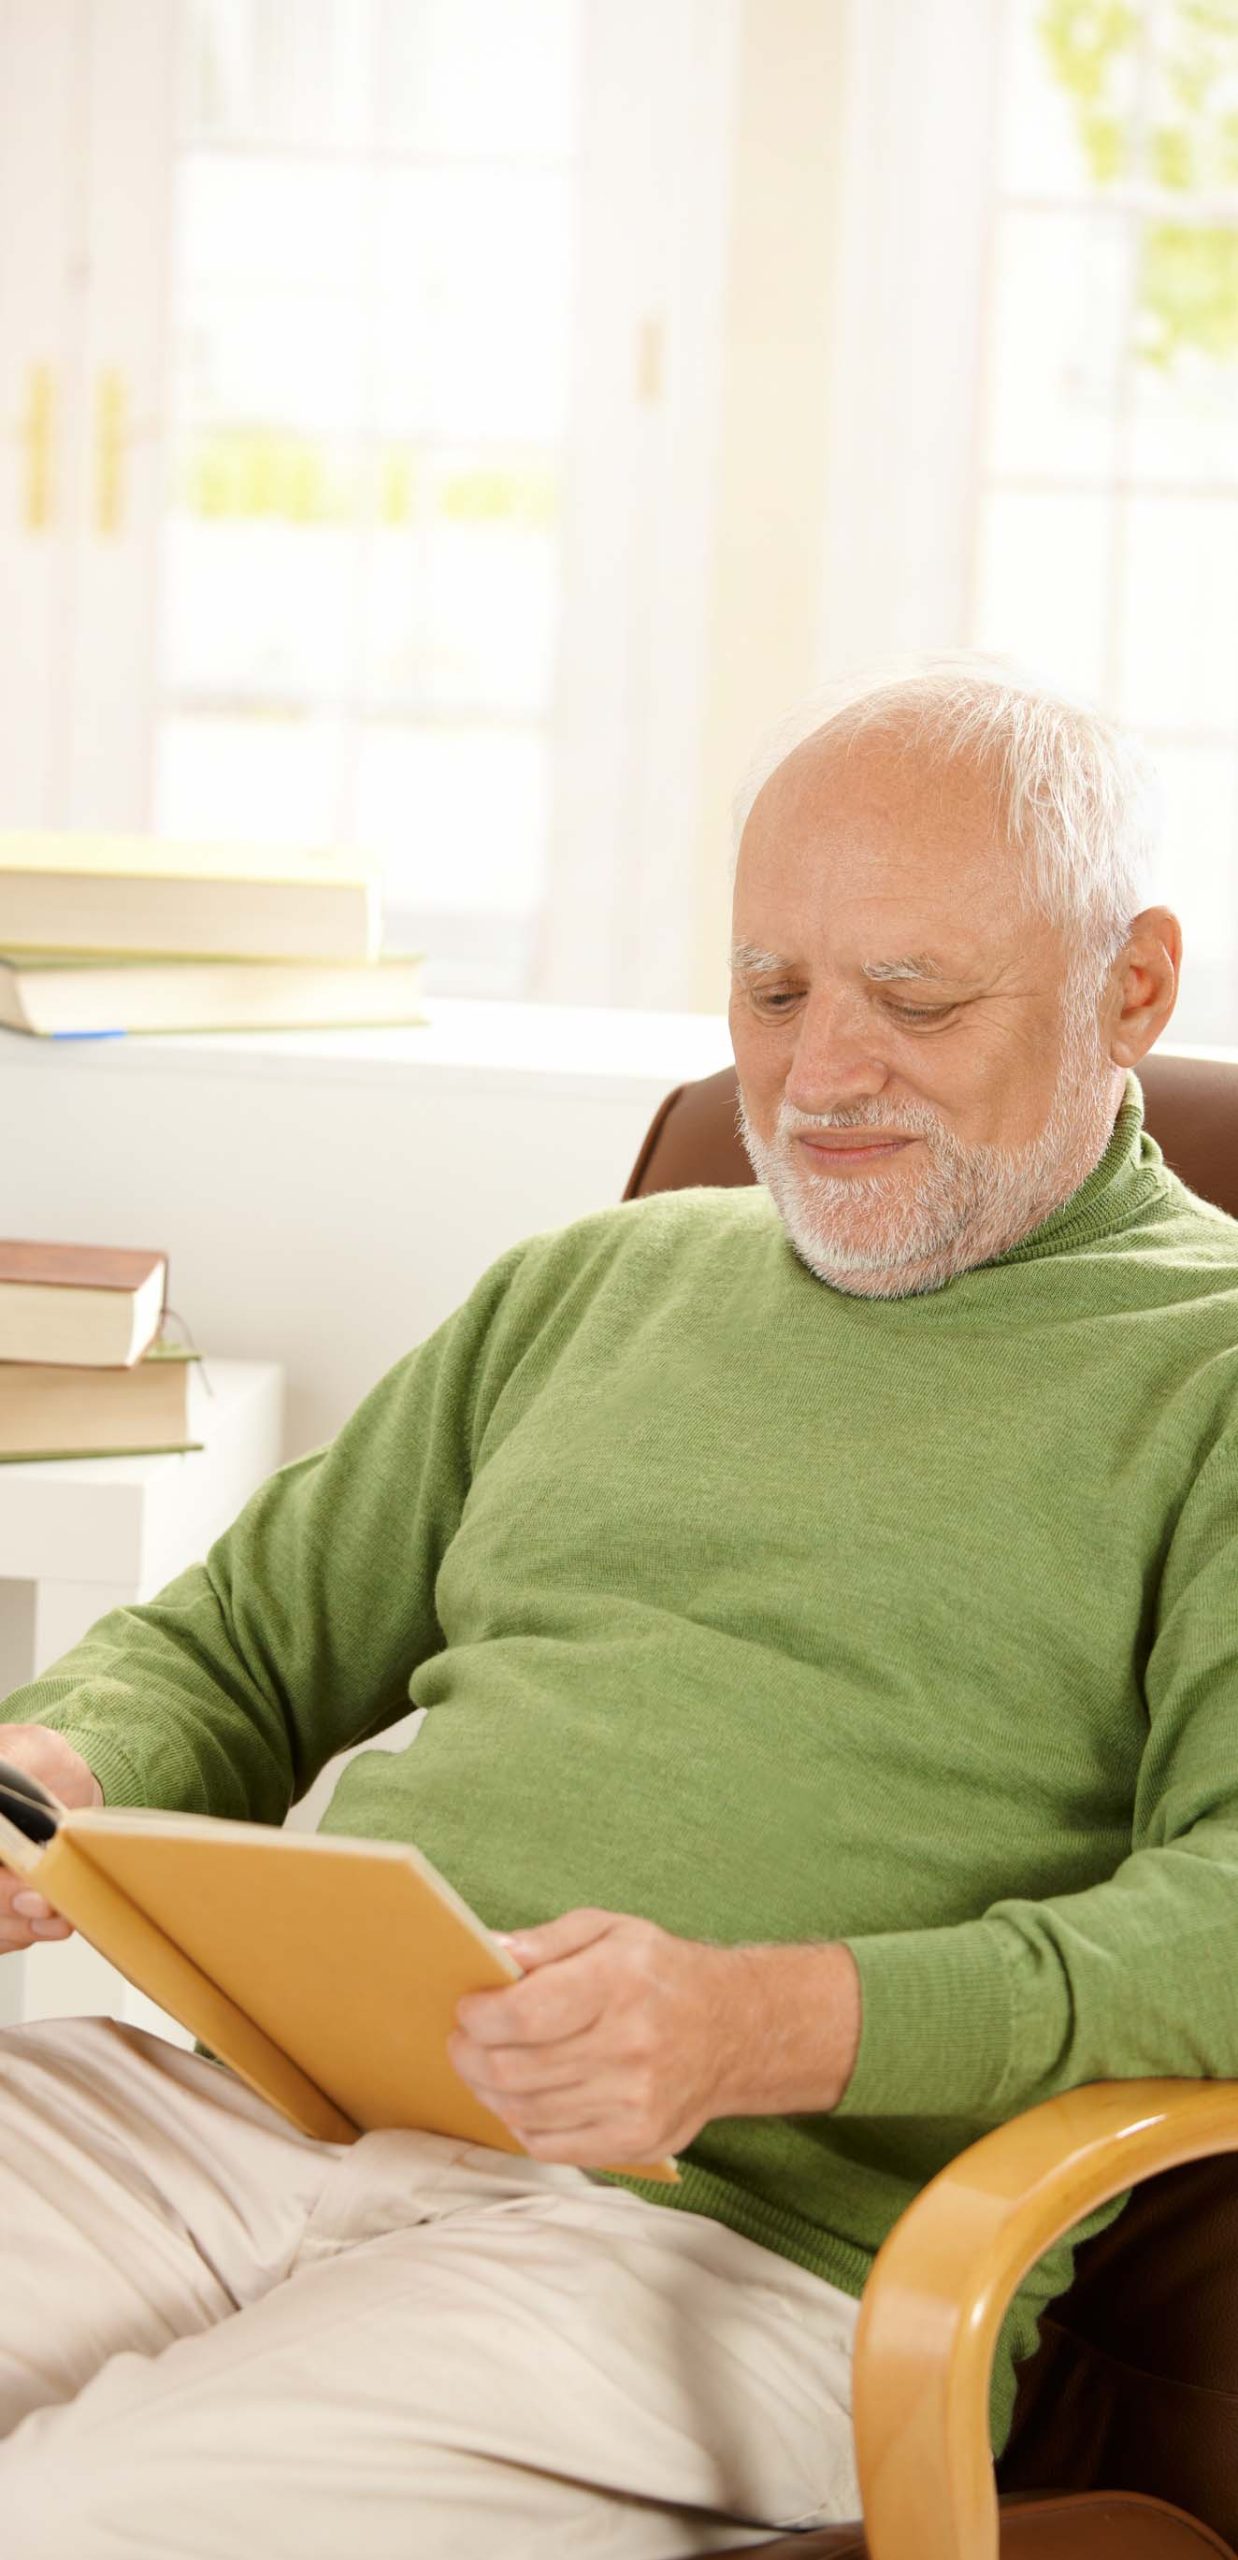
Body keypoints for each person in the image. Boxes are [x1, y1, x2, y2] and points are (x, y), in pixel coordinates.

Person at [2, 657, 1236, 2560]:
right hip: (265, 2122)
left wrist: (763, 2027)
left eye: (913, 997)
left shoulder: (1209, 1376)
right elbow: (232, 1647)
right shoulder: (597, 1284)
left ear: (1130, 986)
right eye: (770, 992)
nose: (819, 1072)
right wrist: (57, 1772)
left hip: (742, 2266)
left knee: (77, 2521)